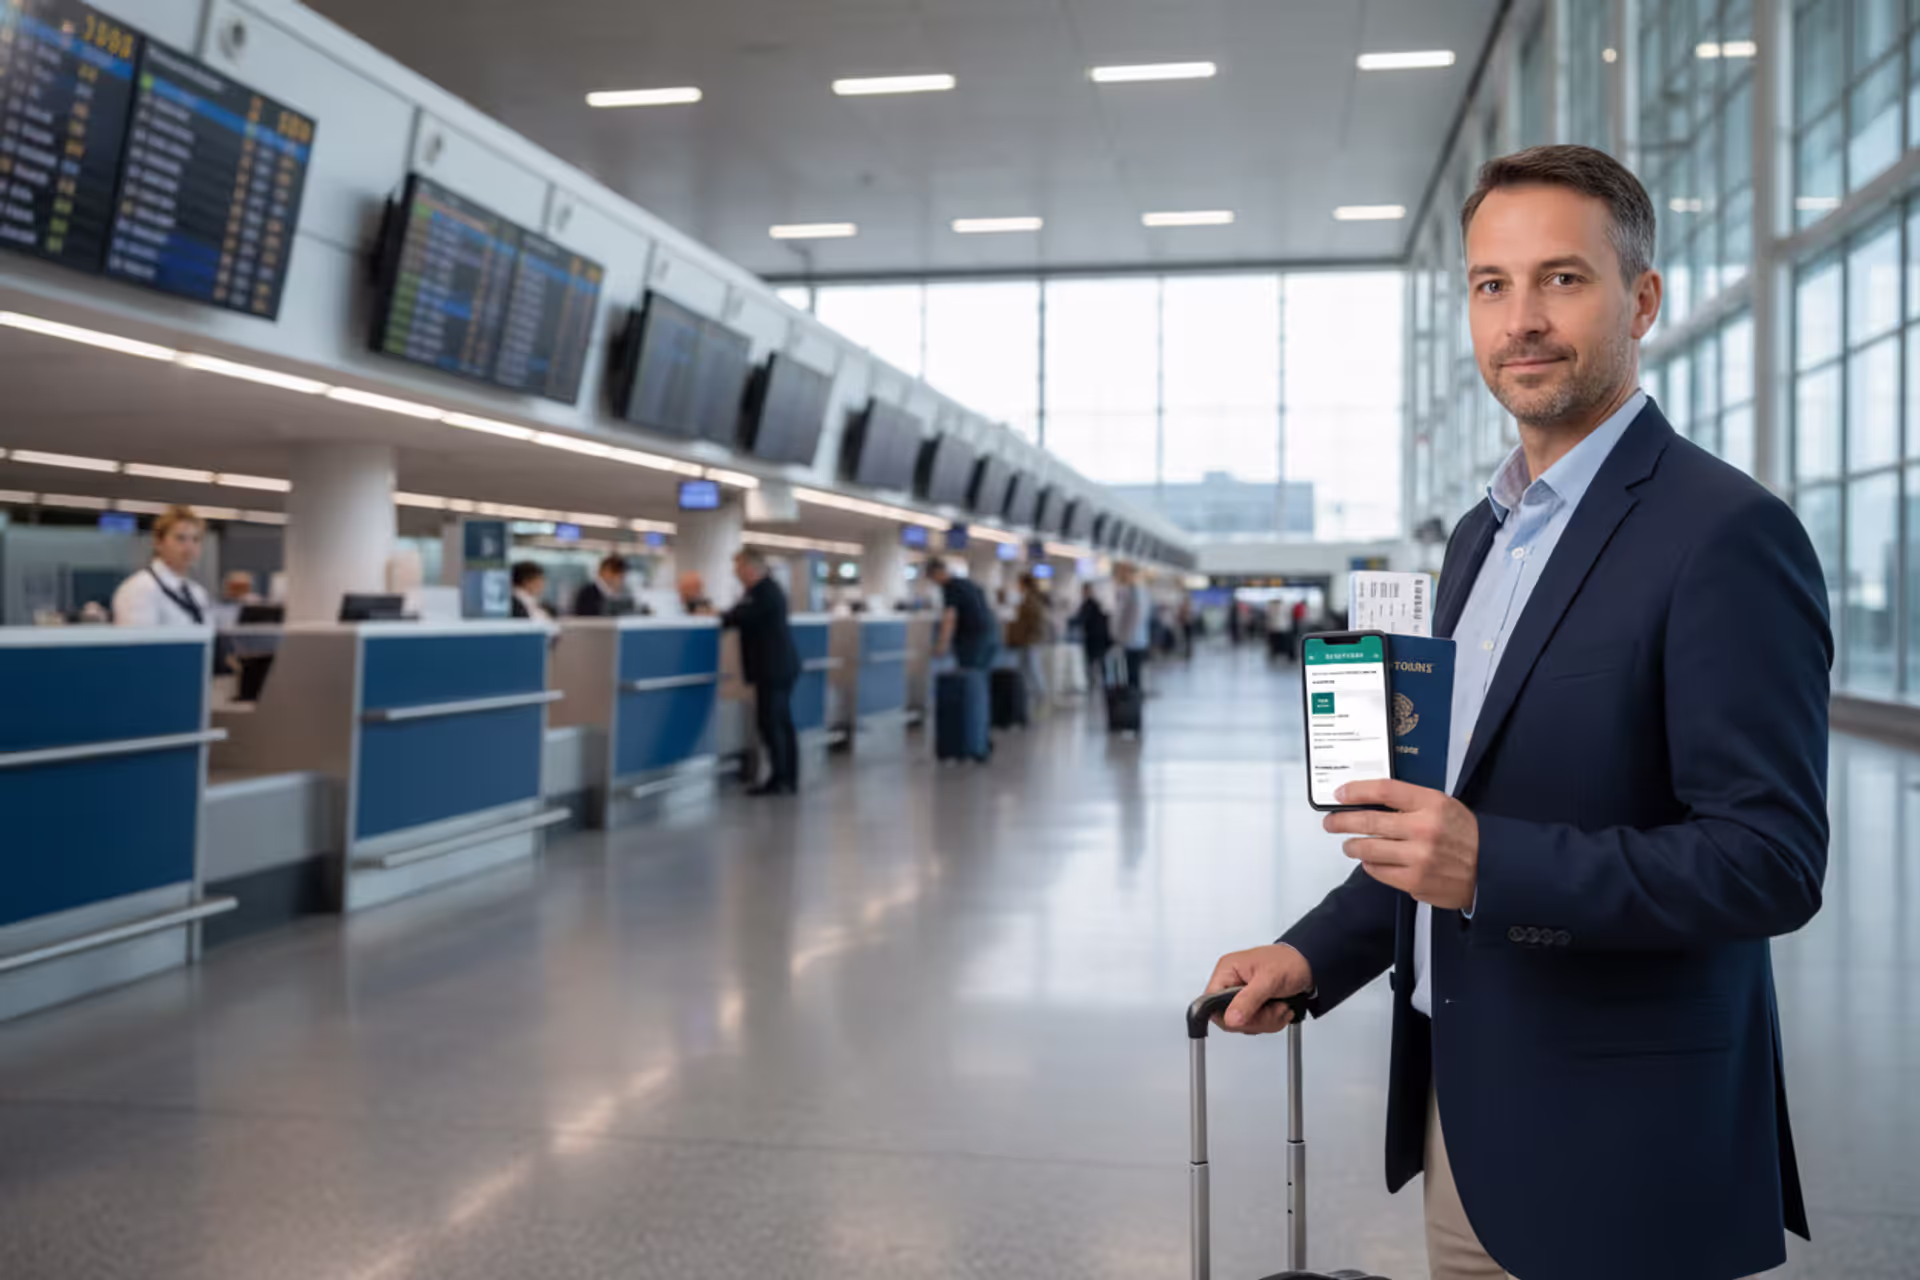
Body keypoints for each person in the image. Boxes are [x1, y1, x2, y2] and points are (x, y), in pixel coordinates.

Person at [1204, 145, 1829, 1280]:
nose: (1522, 319)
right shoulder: (1478, 538)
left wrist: (1495, 865)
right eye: (1492, 285)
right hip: (1469, 1115)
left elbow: (1769, 861)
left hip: (1626, 1137)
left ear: (1641, 298)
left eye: (1562, 279)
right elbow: (1436, 820)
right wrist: (1313, 954)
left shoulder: (1723, 533)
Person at [722, 548, 801, 796]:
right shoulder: (765, 590)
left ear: (749, 567)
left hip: (773, 668)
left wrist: (717, 616)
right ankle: (786, 777)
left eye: (738, 567)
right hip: (777, 666)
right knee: (780, 723)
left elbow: (739, 617)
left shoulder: (763, 592)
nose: (735, 573)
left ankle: (780, 779)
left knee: (772, 723)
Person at [112, 505, 213, 626]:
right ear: (158, 543)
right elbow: (139, 643)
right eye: (180, 538)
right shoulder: (139, 589)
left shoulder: (198, 593)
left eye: (196, 539)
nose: (190, 547)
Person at [925, 558, 996, 672]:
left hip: (972, 640)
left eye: (932, 579)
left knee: (969, 675)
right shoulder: (968, 583)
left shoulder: (950, 588)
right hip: (990, 634)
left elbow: (949, 618)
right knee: (981, 675)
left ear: (937, 573)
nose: (934, 583)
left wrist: (942, 644)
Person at [1004, 573, 1050, 712]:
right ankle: (1029, 697)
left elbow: (1033, 623)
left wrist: (1026, 637)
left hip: (1029, 641)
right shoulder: (1029, 599)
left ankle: (1041, 698)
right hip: (1027, 641)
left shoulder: (1031, 600)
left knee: (1033, 669)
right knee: (1026, 670)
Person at [1113, 563, 1151, 690]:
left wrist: (1123, 636)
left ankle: (1132, 700)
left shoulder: (1134, 591)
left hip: (1132, 640)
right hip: (1135, 639)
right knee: (1132, 672)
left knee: (1132, 673)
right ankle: (1133, 698)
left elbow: (1132, 617)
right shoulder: (1137, 591)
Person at [1074, 583, 1112, 689]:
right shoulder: (1095, 604)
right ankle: (1102, 682)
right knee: (1099, 661)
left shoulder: (1089, 604)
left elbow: (1081, 619)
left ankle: (1093, 681)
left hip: (1093, 638)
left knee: (1092, 661)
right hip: (1098, 637)